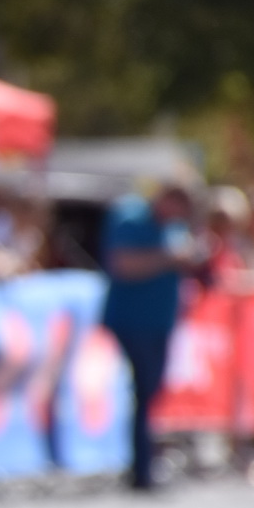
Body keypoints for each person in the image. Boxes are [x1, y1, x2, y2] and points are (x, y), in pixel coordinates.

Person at [101, 185, 202, 491]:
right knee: (144, 390)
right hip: (132, 321)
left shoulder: (174, 228)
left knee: (151, 391)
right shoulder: (131, 217)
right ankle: (141, 470)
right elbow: (123, 263)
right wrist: (168, 259)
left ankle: (143, 466)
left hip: (160, 322)